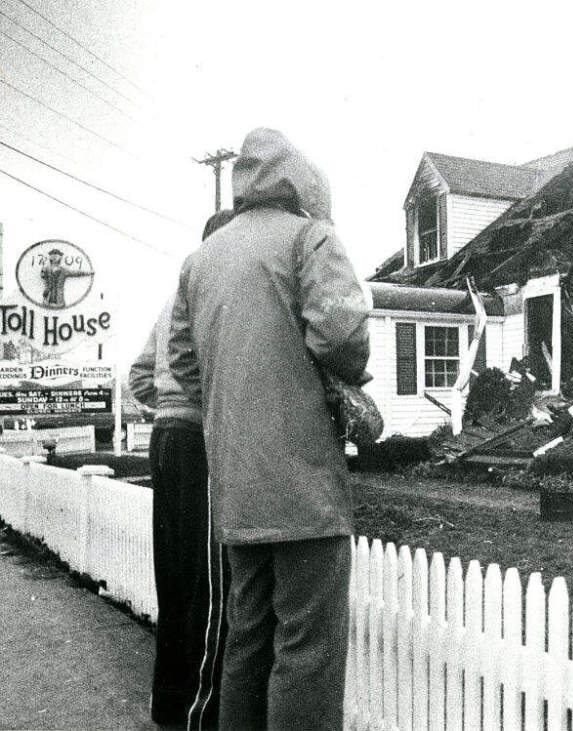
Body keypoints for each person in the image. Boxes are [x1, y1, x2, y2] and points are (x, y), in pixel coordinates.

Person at [168, 128, 370, 730]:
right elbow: (342, 337)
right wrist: (342, 381)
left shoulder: (199, 260)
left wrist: (233, 404)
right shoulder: (310, 238)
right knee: (306, 650)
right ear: (300, 183)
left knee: (246, 638)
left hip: (236, 487)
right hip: (305, 485)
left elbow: (181, 363)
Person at [130, 208, 234, 730]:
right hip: (197, 439)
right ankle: (201, 711)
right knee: (206, 583)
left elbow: (138, 377)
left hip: (164, 439)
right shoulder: (214, 296)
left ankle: (167, 704)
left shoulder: (173, 297)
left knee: (172, 575)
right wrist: (199, 407)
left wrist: (164, 406)